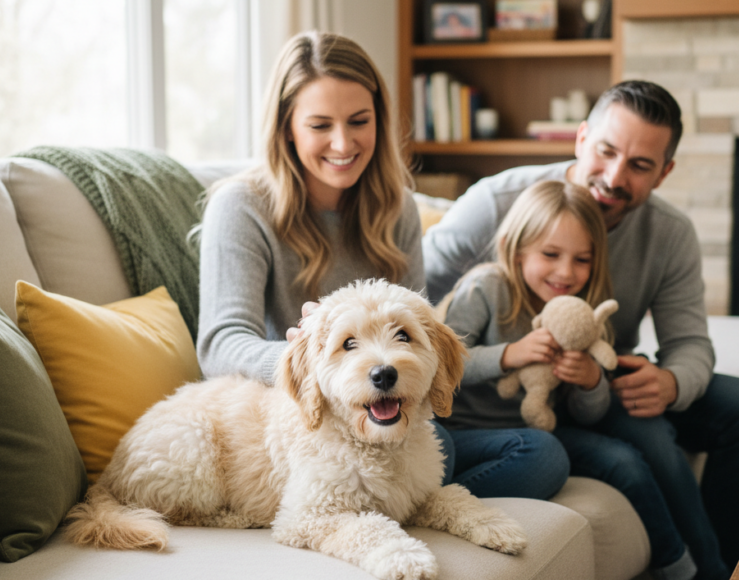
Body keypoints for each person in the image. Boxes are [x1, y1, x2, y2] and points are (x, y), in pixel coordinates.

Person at [423, 80, 739, 578]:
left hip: (591, 378)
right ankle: (705, 570)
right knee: (645, 440)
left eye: (639, 165)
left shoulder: (669, 234)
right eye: (606, 151)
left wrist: (672, 382)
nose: (614, 176)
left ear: (665, 172)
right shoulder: (498, 203)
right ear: (580, 138)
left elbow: (691, 344)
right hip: (499, 404)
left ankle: (733, 561)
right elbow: (409, 290)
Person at [193, 31, 566, 491]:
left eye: (359, 120)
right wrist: (308, 358)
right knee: (433, 469)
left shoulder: (398, 208)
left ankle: (410, 496)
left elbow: (416, 327)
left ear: (380, 120)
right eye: (319, 125)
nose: (343, 142)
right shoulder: (241, 206)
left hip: (391, 414)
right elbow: (219, 344)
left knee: (543, 455)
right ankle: (394, 499)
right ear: (286, 126)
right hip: (304, 421)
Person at [441, 179, 696, 580]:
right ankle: (436, 503)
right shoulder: (487, 286)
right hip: (464, 431)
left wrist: (592, 382)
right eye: (550, 254)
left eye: (581, 259)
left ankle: (678, 567)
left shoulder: (582, 317)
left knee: (623, 460)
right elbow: (444, 362)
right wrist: (509, 354)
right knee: (544, 453)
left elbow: (586, 416)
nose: (565, 271)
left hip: (531, 429)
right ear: (516, 247)